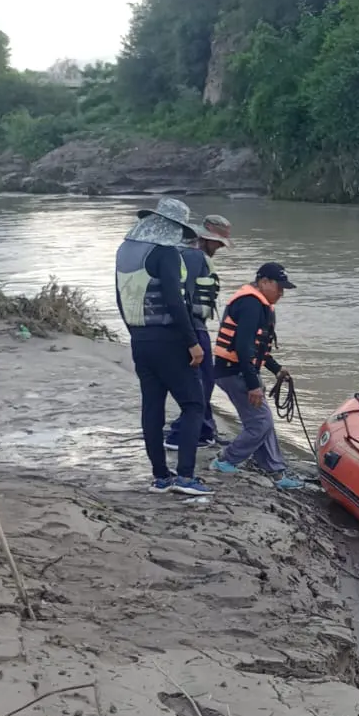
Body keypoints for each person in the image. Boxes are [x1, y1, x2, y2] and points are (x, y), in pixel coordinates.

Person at [114, 195, 209, 496]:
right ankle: (185, 476)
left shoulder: (125, 251)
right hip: (169, 339)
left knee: (152, 408)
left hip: (140, 340)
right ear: (172, 226)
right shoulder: (165, 253)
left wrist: (134, 332)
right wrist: (192, 342)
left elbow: (120, 297)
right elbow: (175, 301)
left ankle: (160, 477)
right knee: (194, 404)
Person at [209, 262, 304, 491]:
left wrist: (276, 368)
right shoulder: (250, 304)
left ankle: (275, 470)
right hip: (234, 371)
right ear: (263, 282)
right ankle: (225, 460)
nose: (281, 293)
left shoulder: (260, 304)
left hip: (239, 370)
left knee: (264, 420)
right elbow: (242, 347)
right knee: (260, 422)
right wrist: (253, 385)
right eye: (278, 287)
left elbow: (257, 348)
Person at [166, 212, 233, 450]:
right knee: (202, 381)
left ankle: (205, 431)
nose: (220, 248)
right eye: (218, 243)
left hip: (191, 326)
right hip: (192, 327)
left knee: (204, 380)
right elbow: (181, 295)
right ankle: (179, 435)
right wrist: (190, 337)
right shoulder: (194, 257)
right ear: (206, 239)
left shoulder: (185, 253)